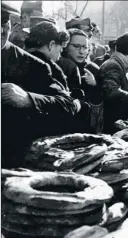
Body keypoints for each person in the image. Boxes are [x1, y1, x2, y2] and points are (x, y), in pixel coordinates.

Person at [1, 3, 82, 168]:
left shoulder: (31, 64)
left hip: (12, 166)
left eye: (4, 23)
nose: (1, 31)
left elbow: (67, 103)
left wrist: (29, 99)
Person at [58, 28, 101, 106]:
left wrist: (95, 84)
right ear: (66, 46)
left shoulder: (93, 69)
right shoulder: (58, 65)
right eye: (76, 46)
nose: (81, 52)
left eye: (85, 48)